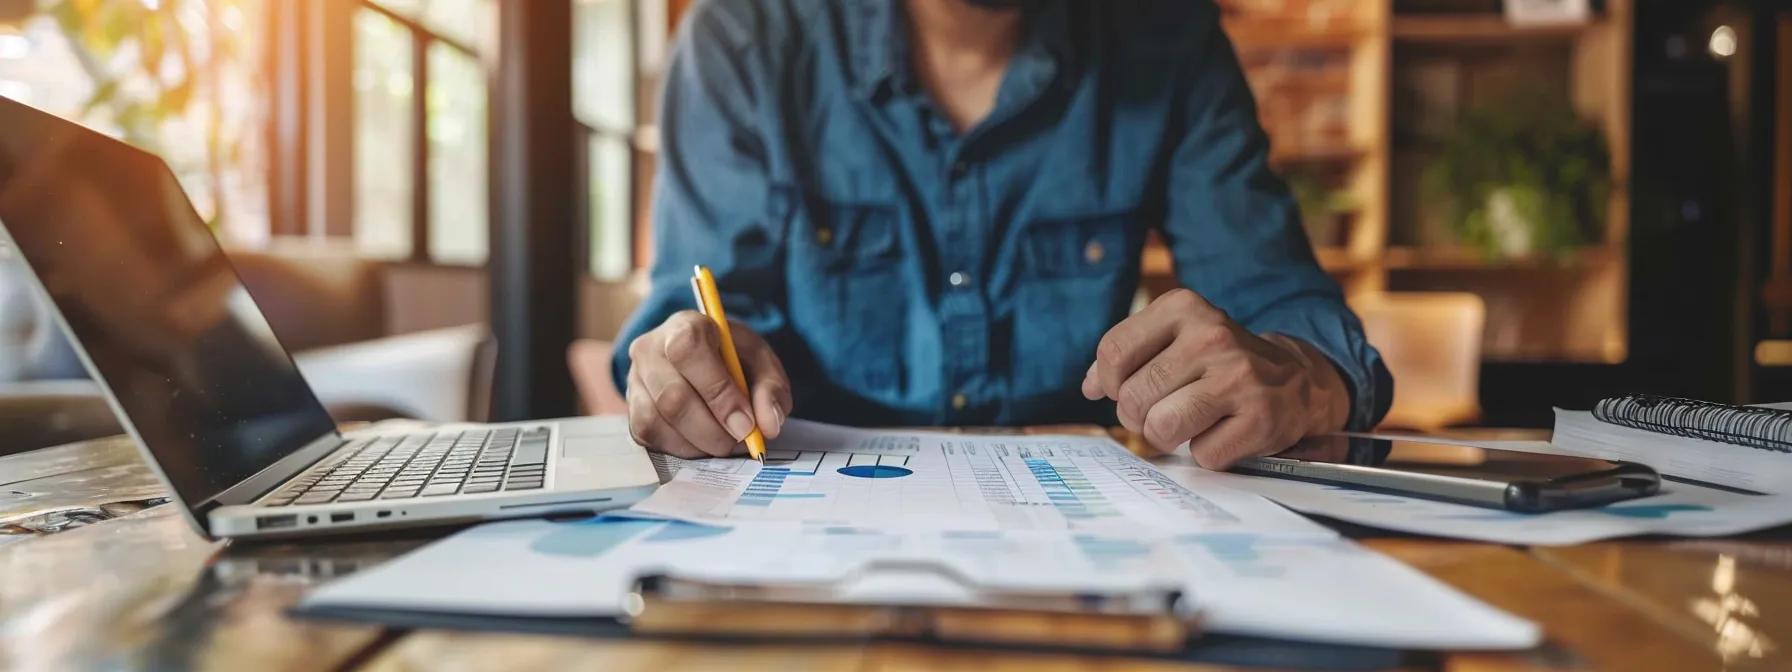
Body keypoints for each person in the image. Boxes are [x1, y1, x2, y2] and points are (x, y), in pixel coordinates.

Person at [612, 0, 1393, 469]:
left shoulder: (1168, 37)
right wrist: (687, 369)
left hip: (1092, 540)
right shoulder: (743, 38)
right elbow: (696, 317)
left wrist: (1303, 377)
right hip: (797, 532)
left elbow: (1281, 301)